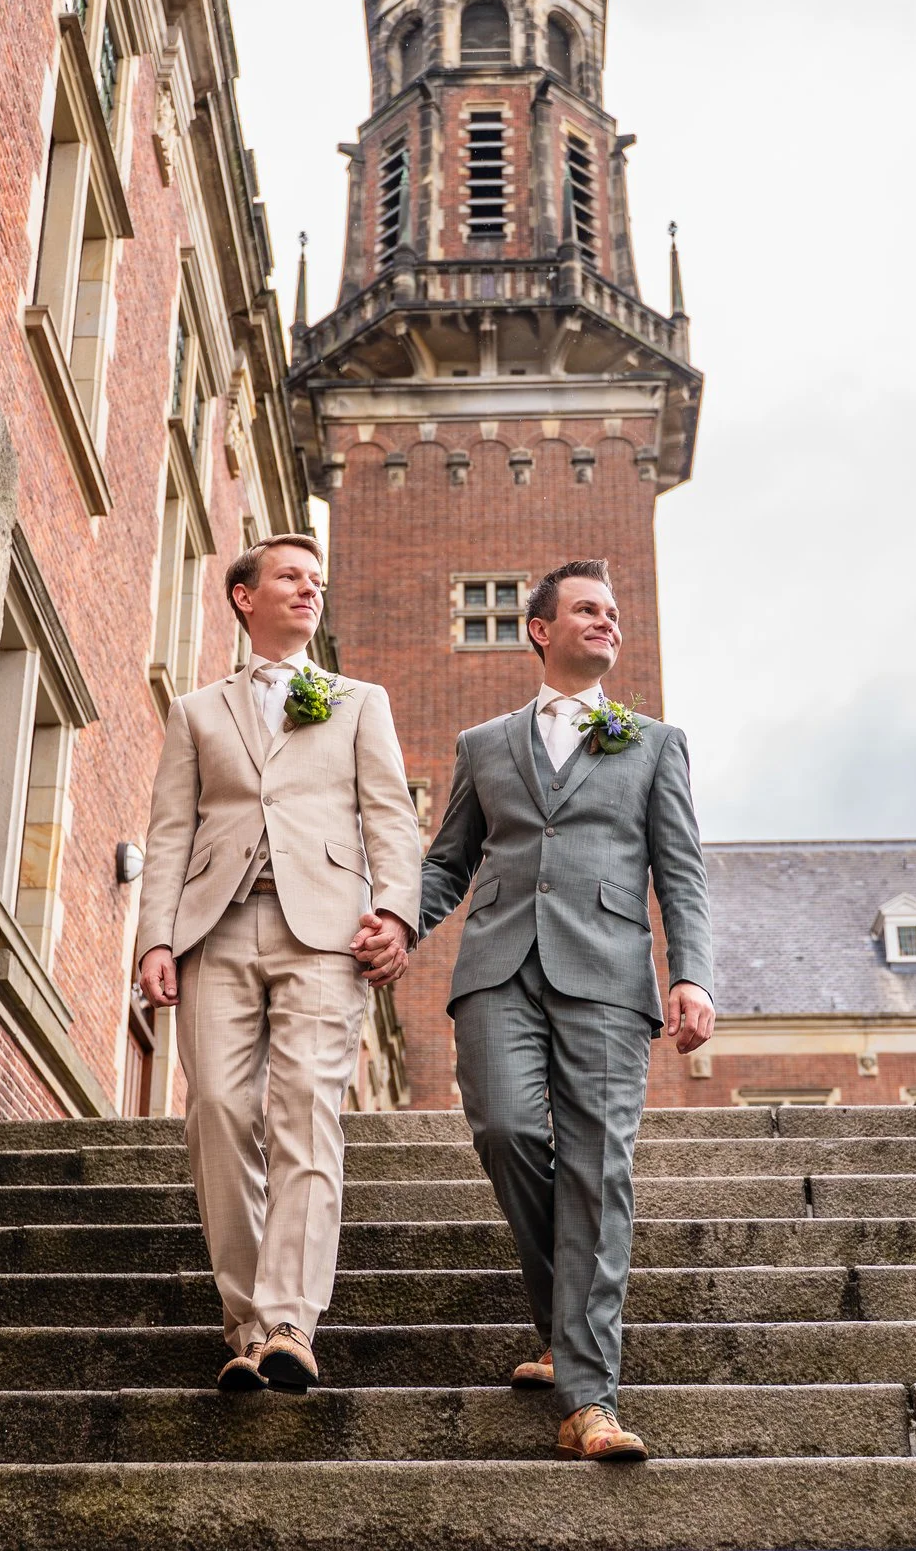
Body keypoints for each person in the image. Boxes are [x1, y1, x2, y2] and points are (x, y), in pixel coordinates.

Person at [416, 558, 715, 1462]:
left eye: (614, 612)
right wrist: (396, 921)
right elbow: (448, 862)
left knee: (596, 1170)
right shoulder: (483, 744)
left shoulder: (653, 743)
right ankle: (564, 1319)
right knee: (507, 1129)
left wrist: (693, 974)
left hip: (610, 972)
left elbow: (682, 871)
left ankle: (589, 1397)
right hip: (497, 965)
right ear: (540, 629)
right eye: (588, 609)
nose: (608, 621)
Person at [134, 535, 420, 1394]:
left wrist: (396, 913)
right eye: (291, 576)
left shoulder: (359, 702)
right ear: (243, 596)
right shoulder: (196, 712)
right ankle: (246, 1323)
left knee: (305, 1109)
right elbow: (169, 833)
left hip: (325, 931)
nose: (309, 590)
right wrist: (154, 937)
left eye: (317, 581)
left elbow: (390, 817)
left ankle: (291, 1319)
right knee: (217, 1110)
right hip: (214, 928)